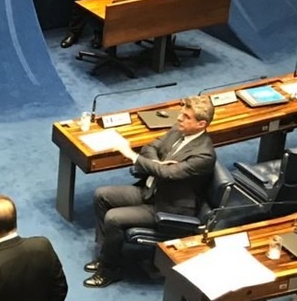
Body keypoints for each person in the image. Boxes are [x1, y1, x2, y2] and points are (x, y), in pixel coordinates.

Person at [84, 96, 216, 288]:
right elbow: (150, 147)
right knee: (101, 195)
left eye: (186, 116)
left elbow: (167, 173)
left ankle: (110, 269)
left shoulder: (204, 154)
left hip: (168, 206)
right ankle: (107, 254)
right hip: (151, 190)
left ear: (201, 124)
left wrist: (132, 156)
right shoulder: (178, 131)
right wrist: (158, 164)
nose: (179, 118)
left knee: (113, 218)